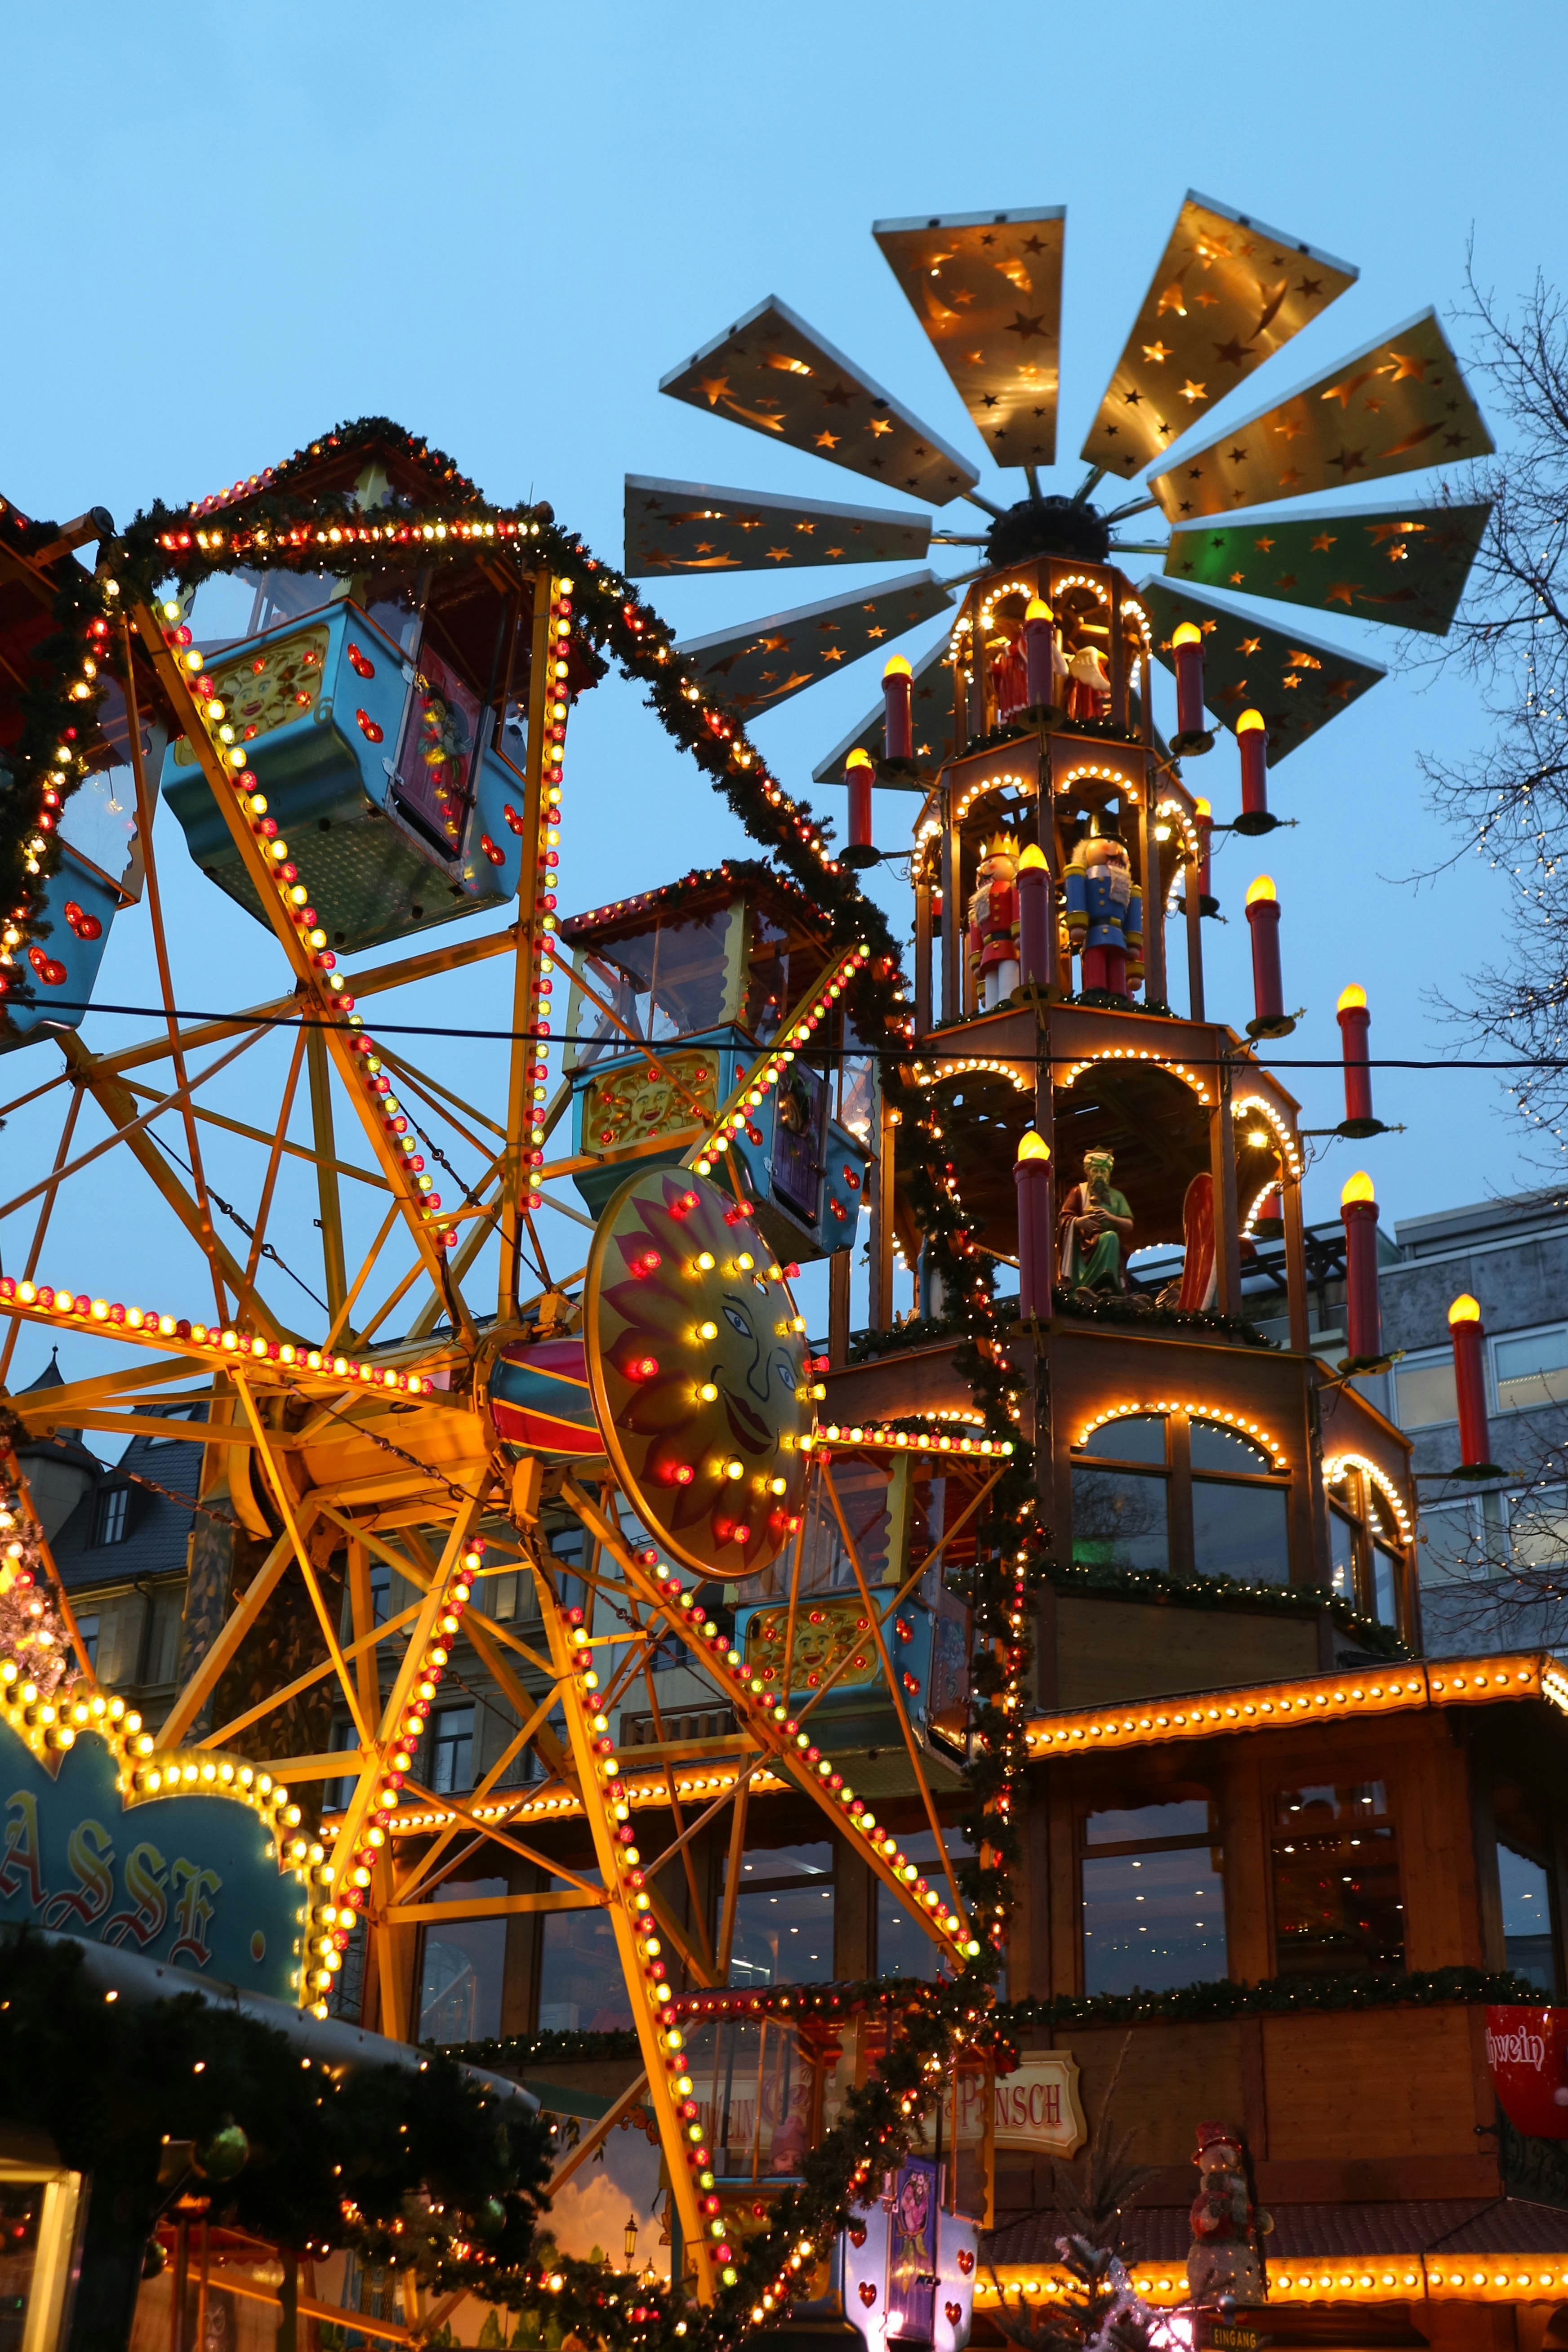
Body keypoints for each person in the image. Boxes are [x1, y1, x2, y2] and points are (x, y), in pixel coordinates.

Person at [1063, 819, 1143, 999]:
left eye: (1121, 847)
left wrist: (1134, 942)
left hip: (1118, 936)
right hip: (1095, 932)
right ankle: (1096, 989)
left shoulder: (1129, 889)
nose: (1118, 851)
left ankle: (1119, 994)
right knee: (1096, 960)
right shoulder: (1083, 877)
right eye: (1108, 842)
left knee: (1117, 965)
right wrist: (1077, 922)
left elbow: (1134, 917)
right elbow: (1078, 896)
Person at [1058, 1149, 1133, 1291]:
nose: (1099, 1175)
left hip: (1108, 1241)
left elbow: (1129, 1225)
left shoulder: (1117, 1197)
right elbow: (1064, 1218)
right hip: (1084, 1244)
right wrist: (1079, 1222)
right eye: (1095, 1171)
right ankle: (1088, 1283)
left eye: (1103, 1171)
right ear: (1088, 1172)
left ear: (1109, 1174)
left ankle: (1107, 1281)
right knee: (1110, 1239)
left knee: (1111, 1238)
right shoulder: (1078, 1192)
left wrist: (1110, 1217)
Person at [966, 833, 1020, 1009]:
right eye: (982, 865)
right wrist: (976, 959)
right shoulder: (978, 902)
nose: (983, 870)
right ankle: (991, 1007)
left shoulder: (1013, 889)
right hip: (988, 950)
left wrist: (1019, 933)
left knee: (1008, 974)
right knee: (991, 978)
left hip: (1008, 943)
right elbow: (975, 929)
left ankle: (1007, 1000)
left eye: (990, 863)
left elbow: (1018, 911)